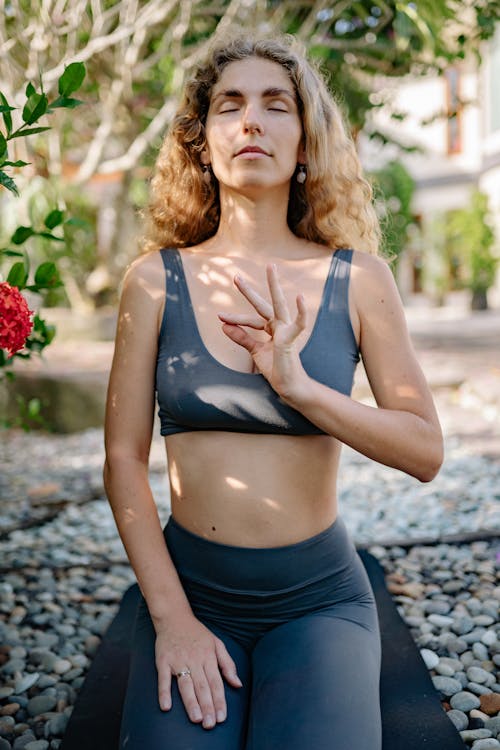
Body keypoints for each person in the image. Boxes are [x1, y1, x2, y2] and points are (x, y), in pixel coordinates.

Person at [103, 33, 443, 750]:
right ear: (203, 143)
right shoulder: (154, 281)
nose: (251, 121)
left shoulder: (359, 280)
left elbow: (424, 450)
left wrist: (299, 387)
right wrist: (173, 620)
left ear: (306, 141)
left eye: (275, 104)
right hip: (191, 594)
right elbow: (124, 458)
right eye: (229, 106)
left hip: (320, 602)